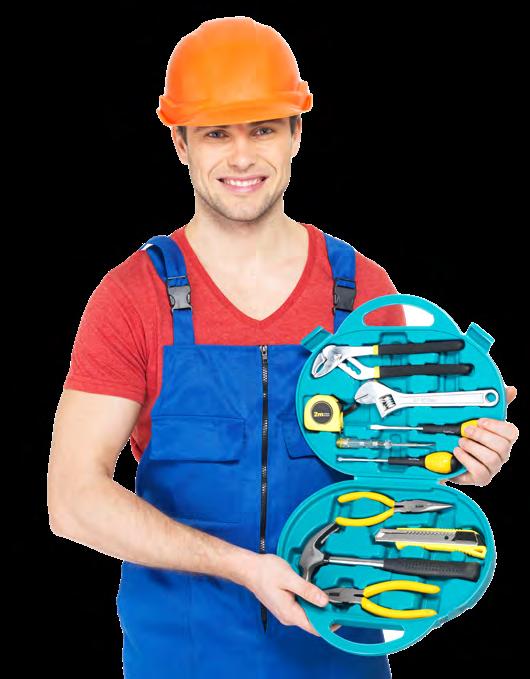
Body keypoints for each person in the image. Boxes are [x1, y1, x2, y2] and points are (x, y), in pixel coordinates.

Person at [47, 16, 519, 679]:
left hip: (341, 647)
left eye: (263, 129)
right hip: (182, 656)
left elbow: (398, 465)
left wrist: (462, 457)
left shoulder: (362, 293)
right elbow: (72, 499)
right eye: (217, 133)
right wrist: (242, 567)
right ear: (180, 143)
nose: (242, 157)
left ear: (297, 132)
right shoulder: (133, 296)